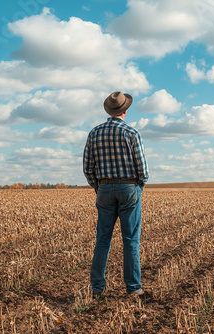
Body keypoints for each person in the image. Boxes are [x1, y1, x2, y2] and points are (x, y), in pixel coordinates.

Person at [83, 91, 148, 297]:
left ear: (109, 111)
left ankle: (97, 288)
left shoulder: (94, 133)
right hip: (129, 188)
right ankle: (133, 288)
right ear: (125, 111)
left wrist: (98, 186)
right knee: (130, 240)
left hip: (104, 188)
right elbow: (143, 170)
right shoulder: (131, 133)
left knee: (103, 239)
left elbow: (87, 168)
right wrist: (137, 187)